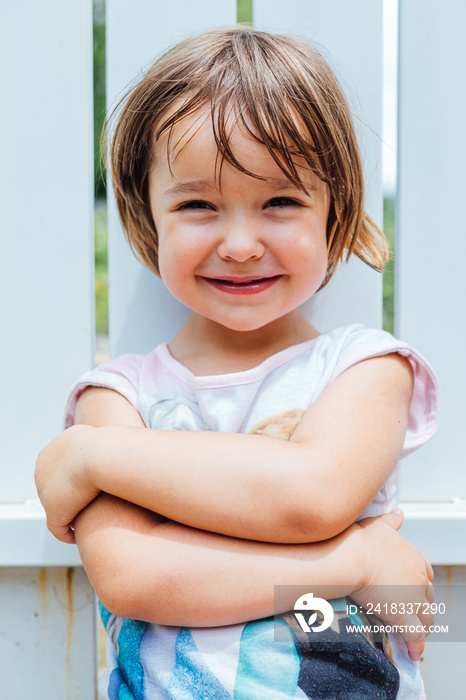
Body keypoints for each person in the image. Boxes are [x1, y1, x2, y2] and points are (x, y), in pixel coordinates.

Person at [35, 27, 439, 700]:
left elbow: (312, 497)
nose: (243, 243)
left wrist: (93, 460)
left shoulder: (367, 369)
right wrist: (357, 559)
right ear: (148, 215)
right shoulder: (117, 400)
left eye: (280, 201)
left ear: (334, 206)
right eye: (198, 205)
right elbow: (137, 581)